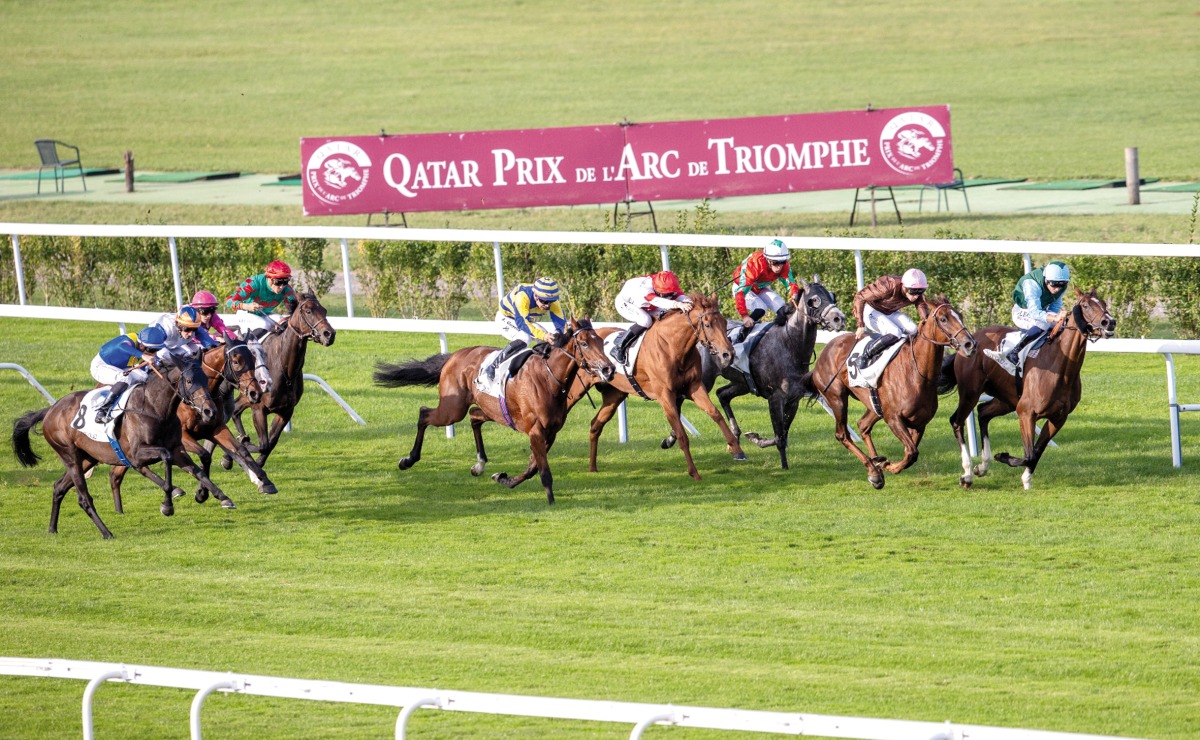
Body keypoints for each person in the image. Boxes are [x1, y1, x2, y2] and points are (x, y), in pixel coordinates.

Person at [984, 261, 1071, 373]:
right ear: (1046, 279)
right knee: (1043, 323)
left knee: (1062, 324)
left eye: (1062, 285)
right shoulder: (1032, 284)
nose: (1058, 289)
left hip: (1040, 312)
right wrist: (1053, 318)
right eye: (1054, 284)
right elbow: (1035, 313)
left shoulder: (1059, 286)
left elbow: (1055, 306)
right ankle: (1014, 352)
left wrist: (1056, 318)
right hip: (1022, 311)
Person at [485, 277, 567, 380]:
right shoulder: (522, 296)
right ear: (535, 295)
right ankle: (493, 366)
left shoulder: (551, 300)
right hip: (506, 318)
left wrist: (558, 334)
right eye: (544, 301)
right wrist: (543, 335)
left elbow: (561, 323)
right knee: (525, 337)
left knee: (550, 340)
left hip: (524, 319)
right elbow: (522, 323)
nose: (547, 305)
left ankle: (543, 370)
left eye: (550, 302)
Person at [852, 268, 930, 369]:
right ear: (904, 286)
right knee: (895, 332)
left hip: (890, 312)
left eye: (921, 291)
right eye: (913, 291)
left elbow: (921, 305)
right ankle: (865, 356)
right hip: (871, 311)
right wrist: (860, 324)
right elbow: (859, 297)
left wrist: (926, 320)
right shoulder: (888, 285)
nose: (916, 296)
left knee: (913, 329)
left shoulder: (915, 290)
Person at [89, 325, 168, 424]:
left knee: (145, 377)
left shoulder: (143, 346)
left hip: (121, 367)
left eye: (157, 350)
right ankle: (102, 412)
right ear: (142, 346)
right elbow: (122, 346)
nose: (154, 353)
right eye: (152, 350)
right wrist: (143, 355)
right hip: (100, 367)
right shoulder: (129, 341)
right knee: (125, 379)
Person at [611, 270, 692, 364]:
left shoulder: (669, 284)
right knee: (645, 320)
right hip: (625, 303)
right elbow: (657, 301)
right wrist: (677, 304)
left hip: (647, 305)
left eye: (670, 294)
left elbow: (681, 296)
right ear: (656, 289)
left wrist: (692, 303)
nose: (669, 296)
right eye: (666, 294)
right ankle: (619, 347)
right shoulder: (645, 289)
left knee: (668, 315)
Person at [731, 238, 801, 341]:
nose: (779, 266)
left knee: (780, 305)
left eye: (783, 262)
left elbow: (791, 284)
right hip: (742, 288)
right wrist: (745, 315)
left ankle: (784, 337)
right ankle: (741, 334)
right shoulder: (755, 265)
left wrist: (795, 294)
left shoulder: (784, 266)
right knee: (761, 308)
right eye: (776, 263)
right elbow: (740, 293)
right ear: (767, 259)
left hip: (760, 287)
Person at [225, 260, 298, 338]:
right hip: (245, 313)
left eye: (285, 282)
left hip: (263, 314)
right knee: (263, 324)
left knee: (282, 321)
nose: (282, 286)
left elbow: (294, 309)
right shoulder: (254, 283)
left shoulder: (287, 290)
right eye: (278, 282)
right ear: (269, 278)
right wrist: (246, 306)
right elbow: (229, 300)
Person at [151, 305, 218, 362]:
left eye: (194, 330)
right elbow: (149, 346)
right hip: (157, 344)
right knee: (163, 354)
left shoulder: (193, 325)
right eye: (187, 329)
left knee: (189, 356)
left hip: (174, 344)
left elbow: (210, 343)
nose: (190, 334)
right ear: (178, 325)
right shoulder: (166, 328)